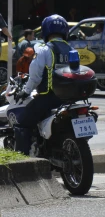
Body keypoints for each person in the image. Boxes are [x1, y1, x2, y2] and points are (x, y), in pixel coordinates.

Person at [13, 15, 74, 155]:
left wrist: (26, 91)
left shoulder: (44, 49)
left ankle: (23, 163)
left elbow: (35, 75)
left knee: (21, 123)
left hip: (49, 98)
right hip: (69, 98)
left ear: (46, 31)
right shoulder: (71, 49)